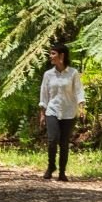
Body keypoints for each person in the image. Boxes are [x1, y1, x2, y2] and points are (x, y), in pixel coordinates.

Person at [37, 43, 85, 181]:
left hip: (69, 112)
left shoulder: (73, 73)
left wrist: (81, 106)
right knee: (52, 140)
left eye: (53, 53)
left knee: (64, 142)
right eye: (50, 53)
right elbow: (44, 94)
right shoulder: (48, 74)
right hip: (52, 110)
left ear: (62, 55)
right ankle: (51, 166)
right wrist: (42, 112)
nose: (50, 56)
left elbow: (78, 90)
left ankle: (62, 172)